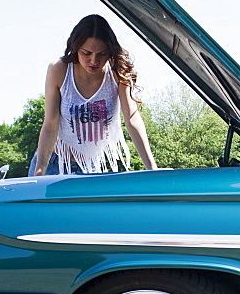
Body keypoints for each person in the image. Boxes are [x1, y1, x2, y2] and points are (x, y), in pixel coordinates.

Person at [31, 14, 157, 175]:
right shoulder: (59, 70)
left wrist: (152, 169)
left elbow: (132, 119)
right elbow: (50, 123)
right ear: (76, 48)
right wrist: (40, 170)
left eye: (102, 54)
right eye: (86, 53)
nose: (94, 61)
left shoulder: (118, 72)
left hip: (91, 166)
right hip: (53, 164)